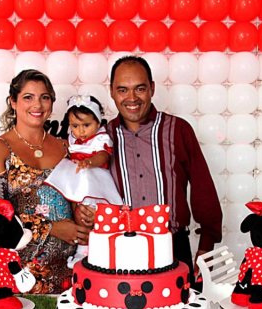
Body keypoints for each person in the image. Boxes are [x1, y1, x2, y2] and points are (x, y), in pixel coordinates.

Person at [75, 56, 223, 290]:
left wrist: (206, 244)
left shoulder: (178, 130)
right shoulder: (101, 138)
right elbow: (85, 186)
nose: (132, 98)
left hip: (173, 247)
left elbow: (202, 187)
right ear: (112, 92)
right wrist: (83, 211)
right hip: (118, 251)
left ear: (152, 88)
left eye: (140, 88)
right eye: (122, 90)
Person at [0, 69, 91, 294]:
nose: (37, 105)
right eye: (28, 97)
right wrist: (51, 228)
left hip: (69, 271)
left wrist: (86, 214)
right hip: (19, 274)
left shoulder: (66, 146)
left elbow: (80, 195)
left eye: (44, 97)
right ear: (13, 101)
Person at [45, 95, 123, 267]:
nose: (80, 131)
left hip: (94, 178)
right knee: (77, 211)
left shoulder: (100, 138)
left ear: (98, 122)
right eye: (75, 126)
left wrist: (89, 162)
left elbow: (103, 155)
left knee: (89, 213)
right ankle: (82, 248)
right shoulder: (72, 138)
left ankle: (92, 249)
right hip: (77, 177)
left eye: (86, 125)